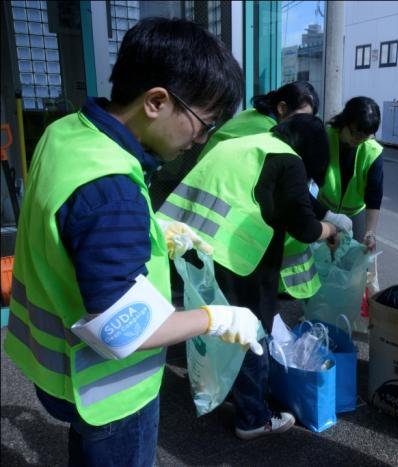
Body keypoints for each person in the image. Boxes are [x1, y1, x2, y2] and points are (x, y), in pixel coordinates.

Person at [4, 18, 263, 467]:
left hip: (55, 371)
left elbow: (68, 228)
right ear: (157, 101)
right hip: (107, 388)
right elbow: (121, 328)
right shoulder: (111, 189)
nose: (200, 140)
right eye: (203, 123)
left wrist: (154, 232)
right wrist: (213, 318)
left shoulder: (68, 131)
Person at [157, 114, 340, 440]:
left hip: (189, 246)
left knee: (214, 323)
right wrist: (331, 229)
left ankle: (224, 387)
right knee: (251, 333)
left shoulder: (242, 146)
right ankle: (253, 418)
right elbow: (305, 227)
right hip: (238, 258)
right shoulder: (290, 161)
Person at [197, 82, 352, 300]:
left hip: (206, 216)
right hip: (226, 225)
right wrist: (329, 223)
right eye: (300, 117)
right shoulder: (270, 138)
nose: (303, 124)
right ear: (282, 108)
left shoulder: (256, 121)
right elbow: (302, 222)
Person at [318, 97, 384, 252]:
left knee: (354, 258)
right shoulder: (324, 137)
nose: (358, 140)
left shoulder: (373, 152)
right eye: (355, 133)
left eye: (365, 136)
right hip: (324, 208)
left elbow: (374, 198)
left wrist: (370, 233)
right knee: (320, 256)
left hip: (355, 214)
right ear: (344, 122)